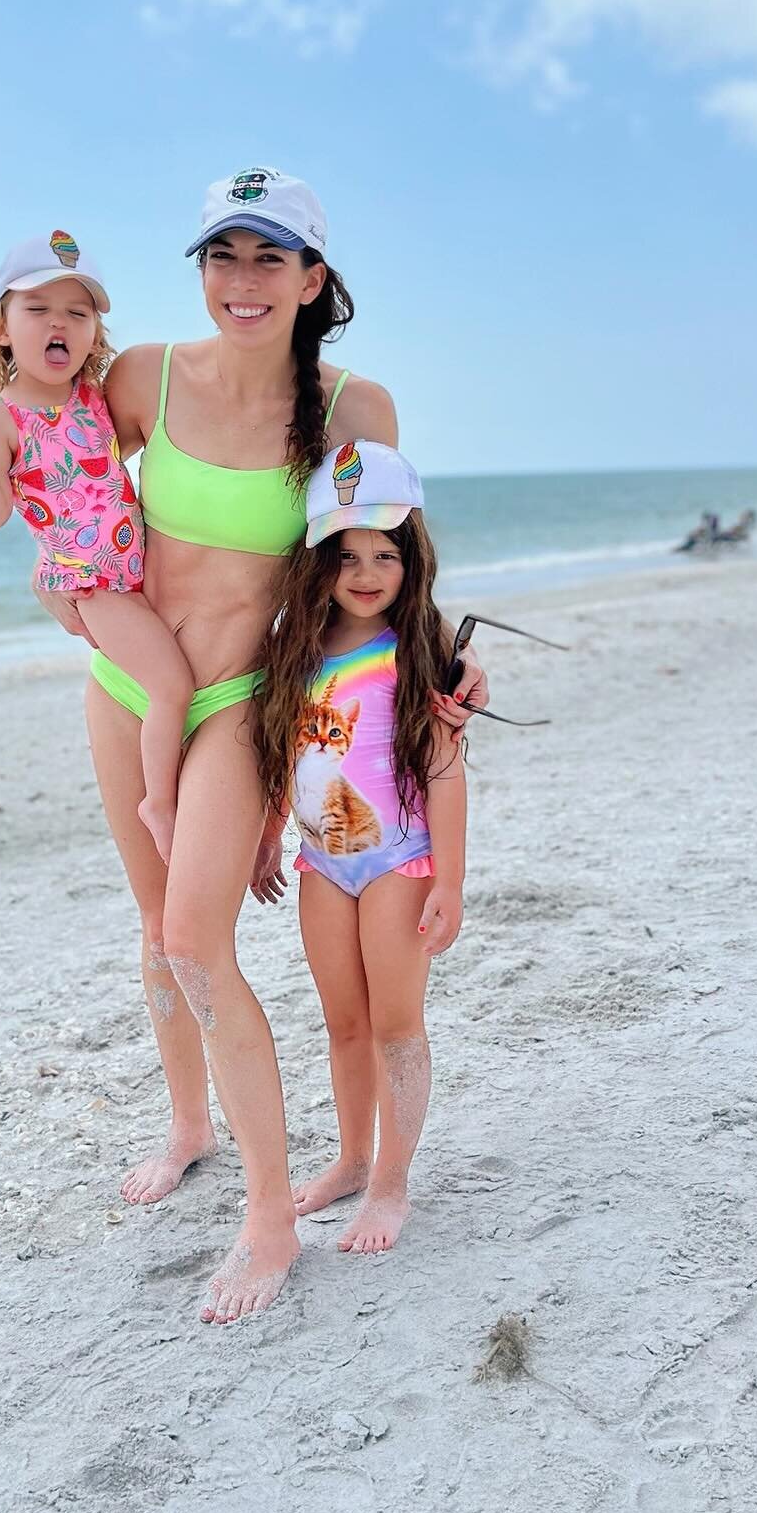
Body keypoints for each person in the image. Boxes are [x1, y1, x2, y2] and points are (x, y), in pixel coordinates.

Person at [31, 168, 487, 1323]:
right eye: (222, 256)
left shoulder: (350, 409)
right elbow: (61, 484)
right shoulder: (141, 378)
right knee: (154, 930)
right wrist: (61, 590)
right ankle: (191, 1122)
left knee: (195, 938)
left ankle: (270, 1221)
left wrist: (443, 657)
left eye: (269, 258)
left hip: (240, 697)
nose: (242, 280)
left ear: (312, 279)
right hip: (127, 686)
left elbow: (385, 555)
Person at [248, 442, 465, 1255]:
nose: (367, 572)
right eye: (347, 556)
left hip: (399, 859)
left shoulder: (421, 647)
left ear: (412, 557)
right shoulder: (294, 649)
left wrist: (451, 878)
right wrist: (270, 836)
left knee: (395, 1023)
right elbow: (287, 756)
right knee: (343, 1022)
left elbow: (445, 770)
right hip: (321, 865)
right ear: (319, 563)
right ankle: (349, 1157)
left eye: (385, 554)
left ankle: (391, 1184)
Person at [0, 233, 193, 863]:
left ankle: (184, 783)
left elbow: (103, 469)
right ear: (2, 329)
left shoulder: (92, 399)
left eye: (77, 313)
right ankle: (158, 803)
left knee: (179, 679)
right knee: (171, 688)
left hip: (140, 569)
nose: (59, 323)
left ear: (94, 335)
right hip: (93, 585)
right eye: (37, 309)